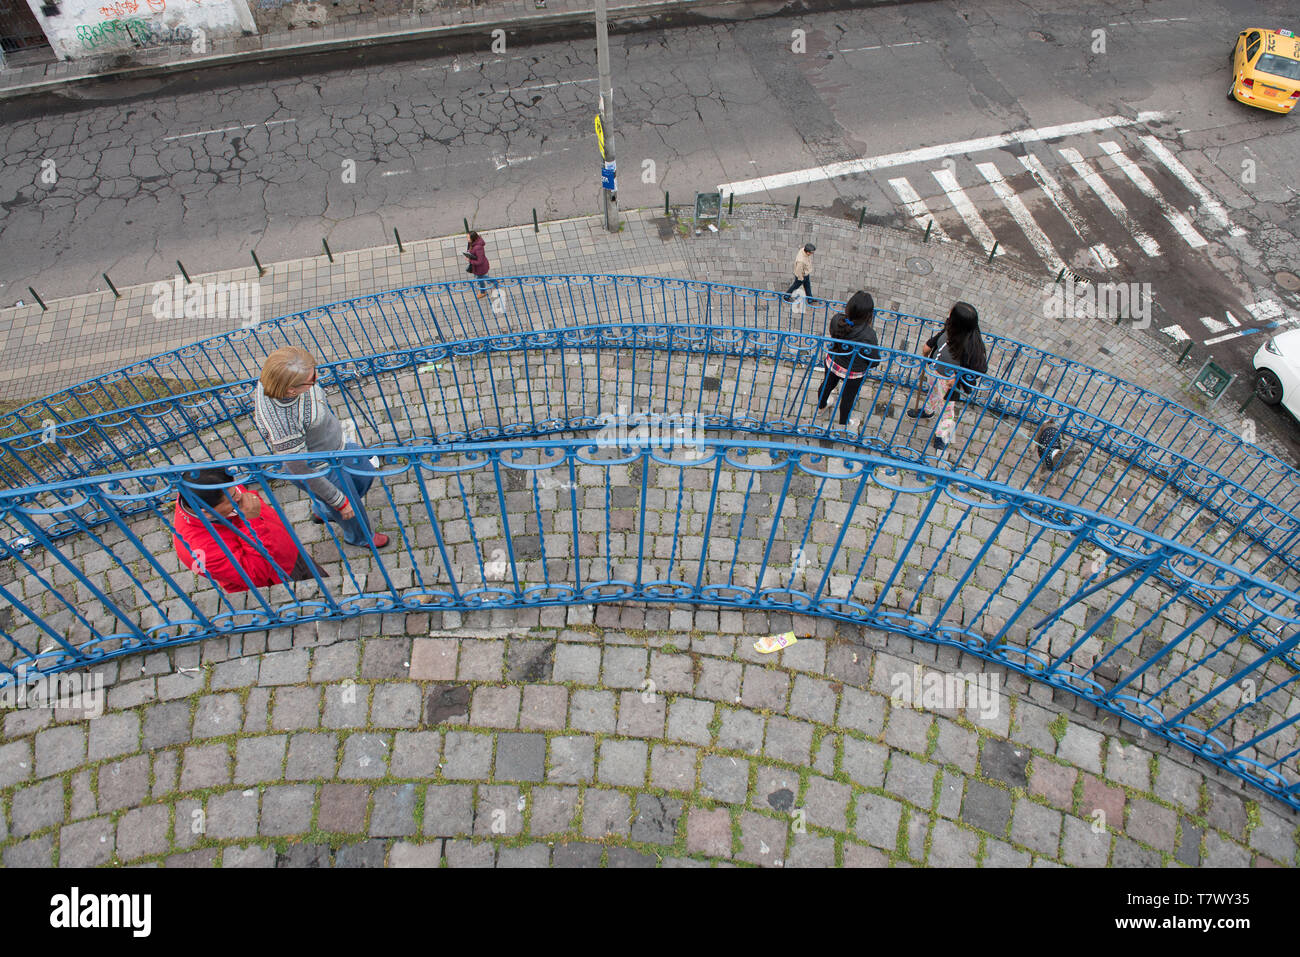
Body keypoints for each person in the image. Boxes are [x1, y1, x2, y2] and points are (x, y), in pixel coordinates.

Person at [252, 347, 390, 549]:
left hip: (337, 447)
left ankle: (324, 508)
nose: (317, 377)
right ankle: (360, 536)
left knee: (364, 475)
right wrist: (338, 499)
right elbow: (300, 468)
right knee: (351, 508)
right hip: (320, 467)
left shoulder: (282, 382)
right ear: (291, 390)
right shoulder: (283, 422)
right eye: (312, 377)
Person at [172, 467, 324, 593]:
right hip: (278, 577)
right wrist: (252, 521)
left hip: (288, 552)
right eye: (232, 498)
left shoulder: (207, 487)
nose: (241, 495)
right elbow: (257, 574)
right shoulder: (200, 551)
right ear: (205, 511)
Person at [907, 301, 989, 453]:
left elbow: (980, 369)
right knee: (932, 394)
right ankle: (928, 411)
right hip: (934, 373)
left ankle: (943, 435)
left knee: (947, 409)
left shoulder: (971, 344)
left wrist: (958, 376)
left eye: (951, 313)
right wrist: (929, 345)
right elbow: (939, 339)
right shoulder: (950, 328)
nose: (948, 313)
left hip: (948, 383)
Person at [815, 290, 881, 428]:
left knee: (827, 385)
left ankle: (821, 408)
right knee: (847, 398)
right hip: (854, 372)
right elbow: (874, 361)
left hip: (833, 363)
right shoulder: (869, 335)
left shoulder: (836, 320)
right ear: (868, 315)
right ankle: (843, 424)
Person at [464, 230, 491, 298]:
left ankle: (483, 292)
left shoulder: (478, 248)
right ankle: (494, 281)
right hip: (478, 268)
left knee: (480, 278)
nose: (467, 239)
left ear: (473, 238)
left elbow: (480, 261)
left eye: (468, 238)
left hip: (480, 268)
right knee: (481, 277)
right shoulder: (473, 243)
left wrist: (470, 261)